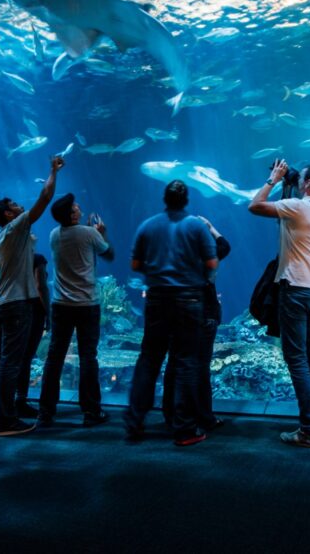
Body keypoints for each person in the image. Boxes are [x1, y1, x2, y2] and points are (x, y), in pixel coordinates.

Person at [248, 160, 310, 448]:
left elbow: (255, 206)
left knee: (297, 360)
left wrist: (273, 179)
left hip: (295, 290)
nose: (299, 180)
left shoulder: (298, 207)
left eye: (303, 178)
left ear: (308, 183)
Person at [125, 180, 217, 446]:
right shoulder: (197, 226)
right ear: (186, 200)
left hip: (156, 300)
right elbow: (211, 262)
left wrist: (157, 272)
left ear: (164, 199)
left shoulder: (148, 225)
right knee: (186, 361)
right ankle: (184, 429)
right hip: (189, 299)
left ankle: (134, 423)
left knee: (149, 360)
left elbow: (134, 264)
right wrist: (194, 272)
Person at [0, 155, 64, 437]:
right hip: (16, 305)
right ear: (8, 215)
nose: (18, 205)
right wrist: (52, 171)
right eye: (13, 204)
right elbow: (45, 197)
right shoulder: (15, 228)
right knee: (11, 362)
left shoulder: (2, 236)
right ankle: (6, 421)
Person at [37, 194, 114, 426]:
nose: (78, 206)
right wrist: (102, 234)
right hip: (87, 304)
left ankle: (46, 412)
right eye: (75, 206)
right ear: (72, 215)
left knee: (54, 357)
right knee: (88, 357)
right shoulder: (89, 233)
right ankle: (91, 411)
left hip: (61, 305)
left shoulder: (53, 234)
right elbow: (108, 254)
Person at [162, 215, 230, 432]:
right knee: (200, 368)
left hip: (175, 316)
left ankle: (171, 415)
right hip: (203, 316)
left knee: (174, 365)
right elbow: (224, 246)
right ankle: (204, 417)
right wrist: (211, 226)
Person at [14, 252, 50, 417]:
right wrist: (48, 313)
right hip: (33, 312)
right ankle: (20, 401)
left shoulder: (11, 255)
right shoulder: (37, 259)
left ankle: (5, 401)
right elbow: (40, 286)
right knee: (25, 357)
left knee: (11, 357)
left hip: (13, 308)